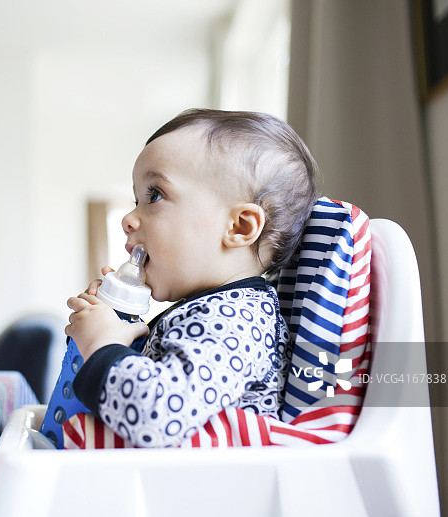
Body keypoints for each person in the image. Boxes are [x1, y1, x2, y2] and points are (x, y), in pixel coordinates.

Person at [65, 109, 320, 448]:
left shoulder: (236, 321)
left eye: (154, 195)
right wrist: (114, 332)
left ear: (239, 227)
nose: (128, 218)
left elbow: (156, 414)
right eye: (135, 199)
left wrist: (103, 345)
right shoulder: (210, 310)